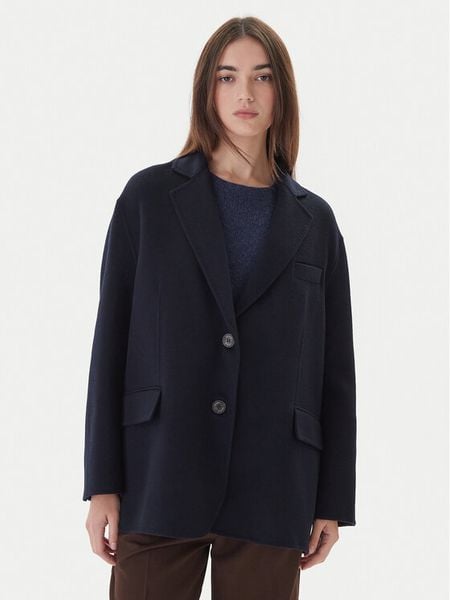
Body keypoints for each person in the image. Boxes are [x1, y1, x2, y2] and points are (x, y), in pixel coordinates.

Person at [83, 16, 357, 600]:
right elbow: (110, 344)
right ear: (207, 90)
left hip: (274, 481)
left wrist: (332, 499)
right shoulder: (148, 199)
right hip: (159, 472)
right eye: (228, 77)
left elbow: (335, 371)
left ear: (282, 92)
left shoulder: (315, 222)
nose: (245, 93)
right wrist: (102, 481)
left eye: (262, 77)